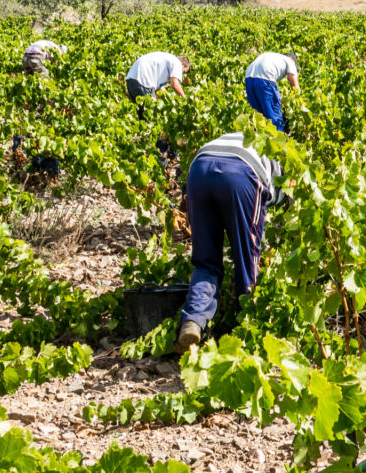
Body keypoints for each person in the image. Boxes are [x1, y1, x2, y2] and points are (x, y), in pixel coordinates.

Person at [175, 132, 290, 352]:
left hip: (199, 170)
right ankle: (247, 330)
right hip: (241, 173)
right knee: (248, 258)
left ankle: (192, 321)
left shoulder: (250, 139)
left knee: (206, 260)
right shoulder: (283, 168)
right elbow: (273, 207)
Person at [244, 52, 299, 132]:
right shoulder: (290, 62)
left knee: (259, 118)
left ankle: (258, 142)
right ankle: (277, 141)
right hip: (265, 77)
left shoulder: (275, 57)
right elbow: (296, 88)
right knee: (274, 118)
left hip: (248, 77)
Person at [126, 52, 190, 116]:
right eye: (183, 71)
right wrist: (185, 100)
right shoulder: (177, 63)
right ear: (183, 64)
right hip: (143, 82)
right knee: (151, 116)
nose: (181, 74)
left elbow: (160, 88)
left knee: (141, 116)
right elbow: (174, 85)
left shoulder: (167, 59)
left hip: (131, 80)